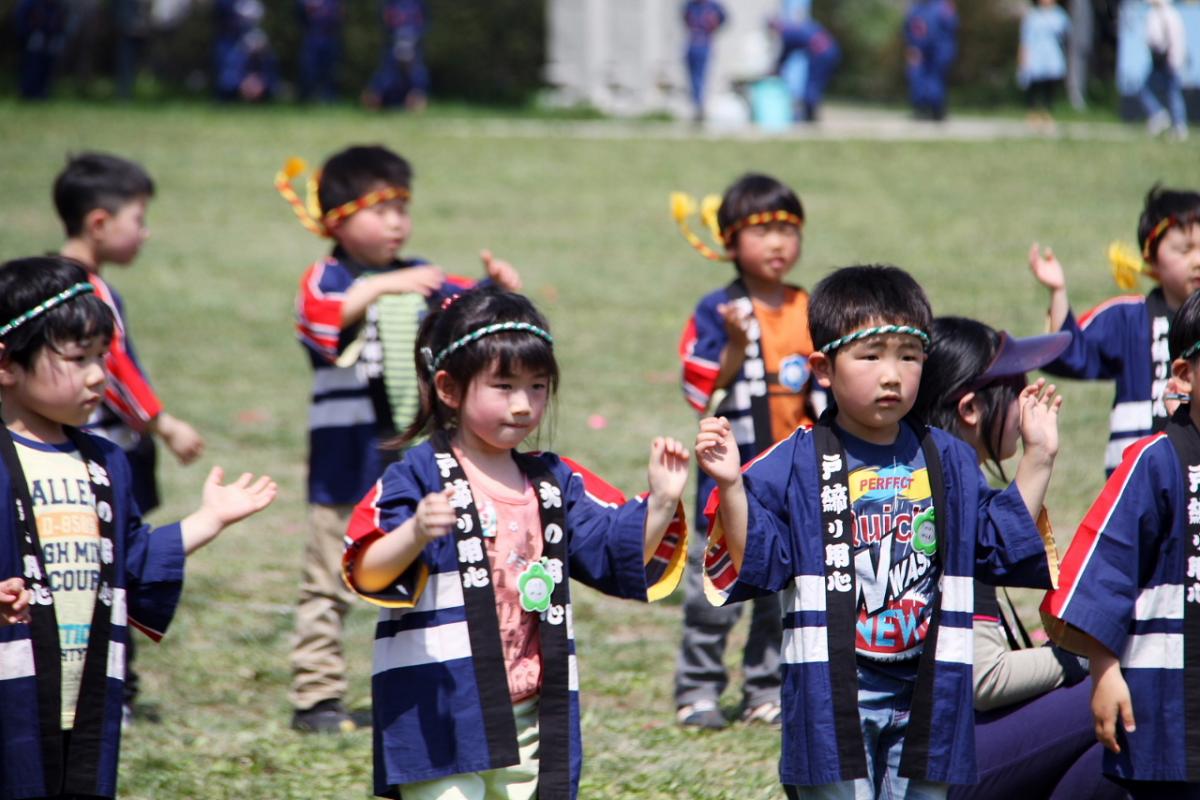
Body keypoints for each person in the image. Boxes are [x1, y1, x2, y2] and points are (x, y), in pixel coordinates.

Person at [694, 264, 1062, 798]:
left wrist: (1039, 458)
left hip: (930, 684)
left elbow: (998, 545)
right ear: (823, 368)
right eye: (870, 356)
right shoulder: (794, 463)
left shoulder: (951, 459)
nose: (892, 375)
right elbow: (761, 563)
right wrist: (730, 485)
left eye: (908, 357)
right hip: (833, 688)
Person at [342, 287, 689, 799]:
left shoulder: (554, 479)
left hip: (532, 712)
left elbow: (614, 552)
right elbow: (366, 571)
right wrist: (414, 532)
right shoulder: (417, 475)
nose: (524, 405)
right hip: (439, 704)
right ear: (450, 388)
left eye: (538, 386)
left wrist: (661, 502)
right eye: (503, 386)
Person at [0, 256, 276, 800]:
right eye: (78, 358)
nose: (99, 375)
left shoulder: (107, 461)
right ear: (6, 363)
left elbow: (132, 562)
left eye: (103, 356)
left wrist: (208, 521)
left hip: (84, 694)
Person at [276, 145, 522, 733]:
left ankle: (445, 679)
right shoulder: (329, 278)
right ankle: (317, 696)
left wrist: (498, 288)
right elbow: (321, 319)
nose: (396, 223)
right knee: (327, 578)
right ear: (337, 219)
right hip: (343, 462)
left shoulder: (424, 278)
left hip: (415, 468)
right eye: (380, 208)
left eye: (403, 208)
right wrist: (390, 286)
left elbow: (470, 314)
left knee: (436, 574)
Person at [913, 317, 1128, 800]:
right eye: (1016, 388)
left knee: (1110, 743)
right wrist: (1095, 657)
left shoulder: (923, 473)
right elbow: (983, 679)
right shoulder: (948, 493)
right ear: (970, 409)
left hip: (927, 752)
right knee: (1135, 685)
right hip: (928, 770)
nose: (1032, 396)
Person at [54, 151, 207, 723]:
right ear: (99, 222)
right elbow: (117, 372)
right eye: (138, 219)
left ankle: (120, 681)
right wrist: (163, 423)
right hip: (97, 451)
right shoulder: (86, 290)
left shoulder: (52, 279)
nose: (146, 232)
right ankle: (111, 687)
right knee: (111, 564)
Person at [1040, 287, 1200, 799]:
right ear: (1185, 375)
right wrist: (1104, 673)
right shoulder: (1155, 462)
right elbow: (1101, 577)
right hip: (1165, 710)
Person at [671, 174, 818, 730]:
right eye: (763, 232)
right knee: (714, 594)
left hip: (793, 480)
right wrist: (734, 345)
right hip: (728, 483)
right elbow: (699, 391)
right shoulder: (717, 309)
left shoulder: (810, 306)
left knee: (776, 593)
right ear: (729, 243)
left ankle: (766, 690)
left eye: (788, 229)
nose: (778, 243)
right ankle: (698, 690)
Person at [1029, 185, 1200, 476]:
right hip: (1136, 477)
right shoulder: (1127, 317)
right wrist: (1058, 292)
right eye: (1184, 250)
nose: (1197, 260)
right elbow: (1069, 353)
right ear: (1151, 259)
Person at [770, 14, 841, 123]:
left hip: (821, 54)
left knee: (811, 85)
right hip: (833, 50)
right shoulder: (799, 27)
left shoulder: (787, 34)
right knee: (815, 85)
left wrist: (777, 68)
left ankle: (810, 117)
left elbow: (785, 53)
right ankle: (810, 115)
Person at [363, 0, 429, 111]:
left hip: (414, 44)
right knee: (385, 78)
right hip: (392, 44)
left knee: (417, 80)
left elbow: (425, 22)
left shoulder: (418, 3)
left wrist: (414, 38)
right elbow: (384, 21)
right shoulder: (390, 3)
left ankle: (412, 103)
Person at [1017, 0, 1071, 132]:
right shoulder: (1032, 16)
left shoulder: (1061, 16)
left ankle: (1047, 113)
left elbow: (1067, 37)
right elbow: (1025, 39)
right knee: (1034, 85)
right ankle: (1033, 114)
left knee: (1050, 85)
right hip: (1036, 56)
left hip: (1052, 55)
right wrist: (1023, 58)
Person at [1139, 0, 1189, 140]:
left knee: (1171, 92)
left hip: (1168, 60)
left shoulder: (1169, 15)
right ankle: (1164, 117)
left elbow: (1175, 40)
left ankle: (1175, 123)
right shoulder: (1154, 14)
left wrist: (1174, 60)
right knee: (1153, 91)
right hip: (1159, 60)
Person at [213, 0, 279, 102]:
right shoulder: (230, 46)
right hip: (229, 43)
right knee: (226, 80)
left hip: (258, 83)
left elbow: (271, 74)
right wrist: (242, 83)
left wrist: (260, 83)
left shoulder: (260, 39)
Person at [904, 0, 959, 121]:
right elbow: (909, 28)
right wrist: (913, 46)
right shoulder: (916, 8)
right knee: (917, 77)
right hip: (920, 49)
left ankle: (937, 110)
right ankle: (921, 108)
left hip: (940, 49)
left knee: (935, 78)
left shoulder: (943, 6)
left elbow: (951, 26)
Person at [682, 0, 728, 122]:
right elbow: (684, 18)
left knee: (700, 78)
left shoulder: (713, 6)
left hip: (704, 44)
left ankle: (700, 106)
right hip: (692, 43)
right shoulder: (690, 5)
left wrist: (713, 28)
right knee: (692, 78)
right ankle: (696, 106)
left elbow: (724, 19)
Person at [15, 0, 66, 100]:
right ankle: (28, 93)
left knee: (46, 67)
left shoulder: (55, 5)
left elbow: (59, 19)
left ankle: (42, 92)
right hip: (34, 38)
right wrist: (28, 34)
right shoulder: (29, 3)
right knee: (31, 67)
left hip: (50, 39)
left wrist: (57, 34)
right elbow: (22, 19)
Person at [297, 0, 343, 103]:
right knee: (309, 70)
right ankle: (308, 99)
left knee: (330, 71)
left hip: (330, 36)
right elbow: (299, 13)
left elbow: (338, 12)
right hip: (312, 36)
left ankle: (330, 98)